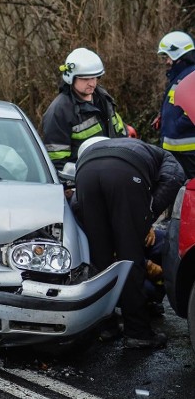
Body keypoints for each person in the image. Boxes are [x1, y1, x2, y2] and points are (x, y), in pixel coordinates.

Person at [75, 135, 185, 349]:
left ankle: (104, 327)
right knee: (130, 258)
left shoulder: (107, 149)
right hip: (124, 175)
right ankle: (138, 332)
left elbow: (77, 205)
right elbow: (174, 179)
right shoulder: (165, 157)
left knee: (99, 259)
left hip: (85, 173)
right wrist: (147, 216)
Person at [42, 48, 126, 173]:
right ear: (71, 77)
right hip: (84, 177)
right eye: (86, 79)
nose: (92, 83)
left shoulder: (103, 97)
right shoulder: (59, 112)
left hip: (112, 169)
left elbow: (118, 131)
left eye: (95, 78)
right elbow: (57, 160)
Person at [157, 31, 195, 178]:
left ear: (178, 55)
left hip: (188, 153)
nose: (166, 62)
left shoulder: (192, 75)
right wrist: (164, 117)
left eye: (167, 57)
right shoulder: (180, 75)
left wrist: (177, 125)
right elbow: (176, 103)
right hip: (177, 151)